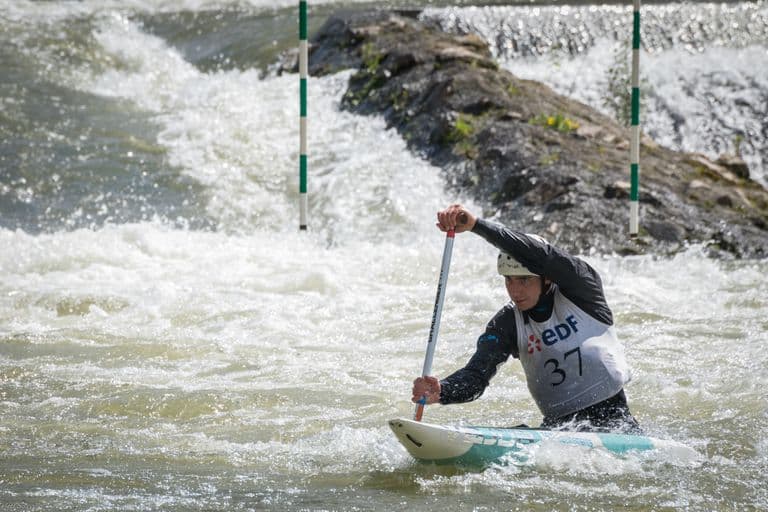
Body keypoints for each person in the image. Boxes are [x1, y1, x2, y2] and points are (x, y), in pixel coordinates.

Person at [411, 204, 640, 433]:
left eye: (524, 280)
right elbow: (476, 376)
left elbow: (540, 255)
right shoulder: (507, 323)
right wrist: (443, 391)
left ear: (546, 278)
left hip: (615, 421)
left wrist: (476, 225)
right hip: (558, 428)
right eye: (509, 280)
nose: (515, 290)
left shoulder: (582, 289)